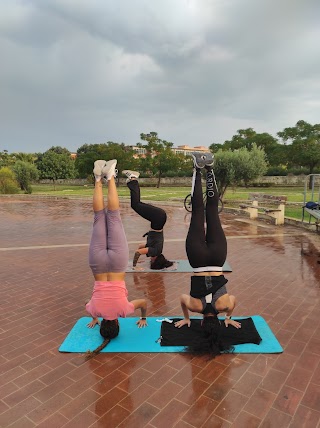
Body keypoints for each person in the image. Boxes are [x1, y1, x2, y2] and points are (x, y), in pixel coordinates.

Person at [174, 152, 241, 358]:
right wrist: (186, 318)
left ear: (218, 323)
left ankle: (210, 169)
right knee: (198, 211)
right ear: (202, 323)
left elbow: (235, 299)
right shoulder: (195, 307)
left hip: (218, 258)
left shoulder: (225, 305)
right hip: (198, 260)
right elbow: (182, 298)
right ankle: (197, 169)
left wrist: (228, 317)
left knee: (212, 210)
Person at [85, 160, 148, 359]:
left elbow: (143, 302)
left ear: (119, 323)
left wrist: (143, 318)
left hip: (118, 264)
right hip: (97, 264)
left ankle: (110, 176)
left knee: (113, 216)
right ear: (103, 323)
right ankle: (98, 178)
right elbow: (90, 308)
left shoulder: (124, 310)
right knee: (98, 216)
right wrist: (95, 317)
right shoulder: (94, 309)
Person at [123, 169, 173, 270]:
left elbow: (140, 247)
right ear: (156, 261)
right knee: (136, 205)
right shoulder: (155, 252)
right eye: (152, 262)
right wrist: (134, 266)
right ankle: (133, 178)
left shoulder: (155, 250)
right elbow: (138, 252)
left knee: (136, 204)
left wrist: (139, 258)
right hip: (157, 218)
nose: (150, 261)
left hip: (159, 218)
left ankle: (133, 180)